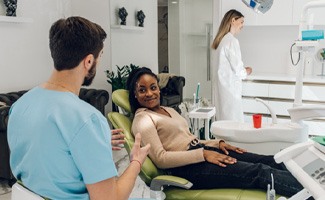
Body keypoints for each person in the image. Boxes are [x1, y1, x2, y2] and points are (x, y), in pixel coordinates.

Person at [7, 16, 150, 200]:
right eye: (99, 57)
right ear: (88, 61)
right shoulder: (87, 118)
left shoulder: (19, 106)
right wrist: (137, 161)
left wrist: (92, 143)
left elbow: (45, 156)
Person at [128, 67, 303, 197]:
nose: (150, 93)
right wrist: (203, 154)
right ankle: (311, 193)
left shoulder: (168, 110)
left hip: (201, 153)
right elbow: (161, 158)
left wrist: (216, 144)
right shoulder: (143, 119)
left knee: (269, 160)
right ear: (135, 95)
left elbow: (190, 139)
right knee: (259, 172)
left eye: (153, 87)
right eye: (142, 90)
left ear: (159, 88)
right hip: (186, 168)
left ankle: (314, 181)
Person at [211, 9, 252, 122]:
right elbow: (239, 71)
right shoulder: (231, 41)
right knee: (234, 128)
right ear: (233, 20)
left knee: (224, 127)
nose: (242, 26)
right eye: (242, 22)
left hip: (222, 93)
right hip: (230, 94)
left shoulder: (221, 41)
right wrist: (247, 71)